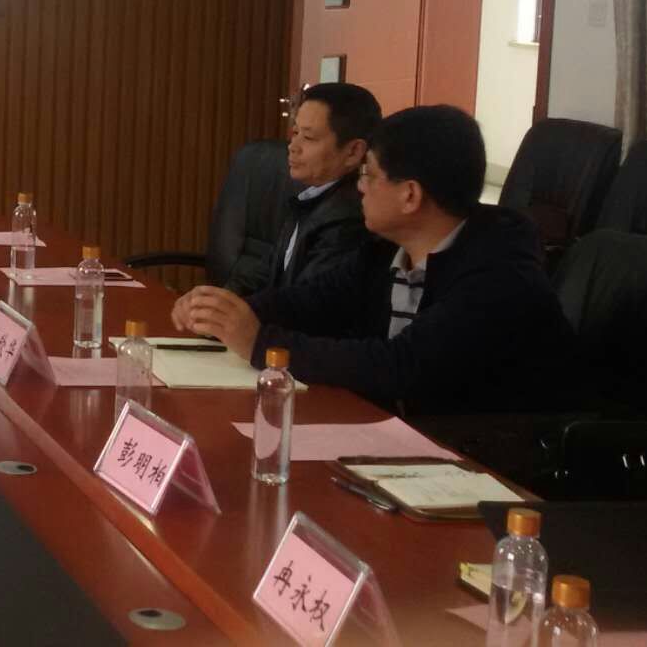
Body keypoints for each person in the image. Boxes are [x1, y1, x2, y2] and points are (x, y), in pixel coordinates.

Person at [173, 105, 576, 416]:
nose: (360, 188)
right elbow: (313, 301)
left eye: (369, 175)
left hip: (484, 460)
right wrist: (224, 313)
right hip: (393, 435)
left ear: (410, 195)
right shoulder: (385, 250)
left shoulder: (499, 275)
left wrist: (261, 343)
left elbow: (402, 366)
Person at [250, 82, 381, 299]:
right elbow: (267, 276)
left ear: (353, 152)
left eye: (309, 138)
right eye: (295, 132)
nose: (293, 146)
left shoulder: (349, 220)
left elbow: (307, 303)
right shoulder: (309, 199)